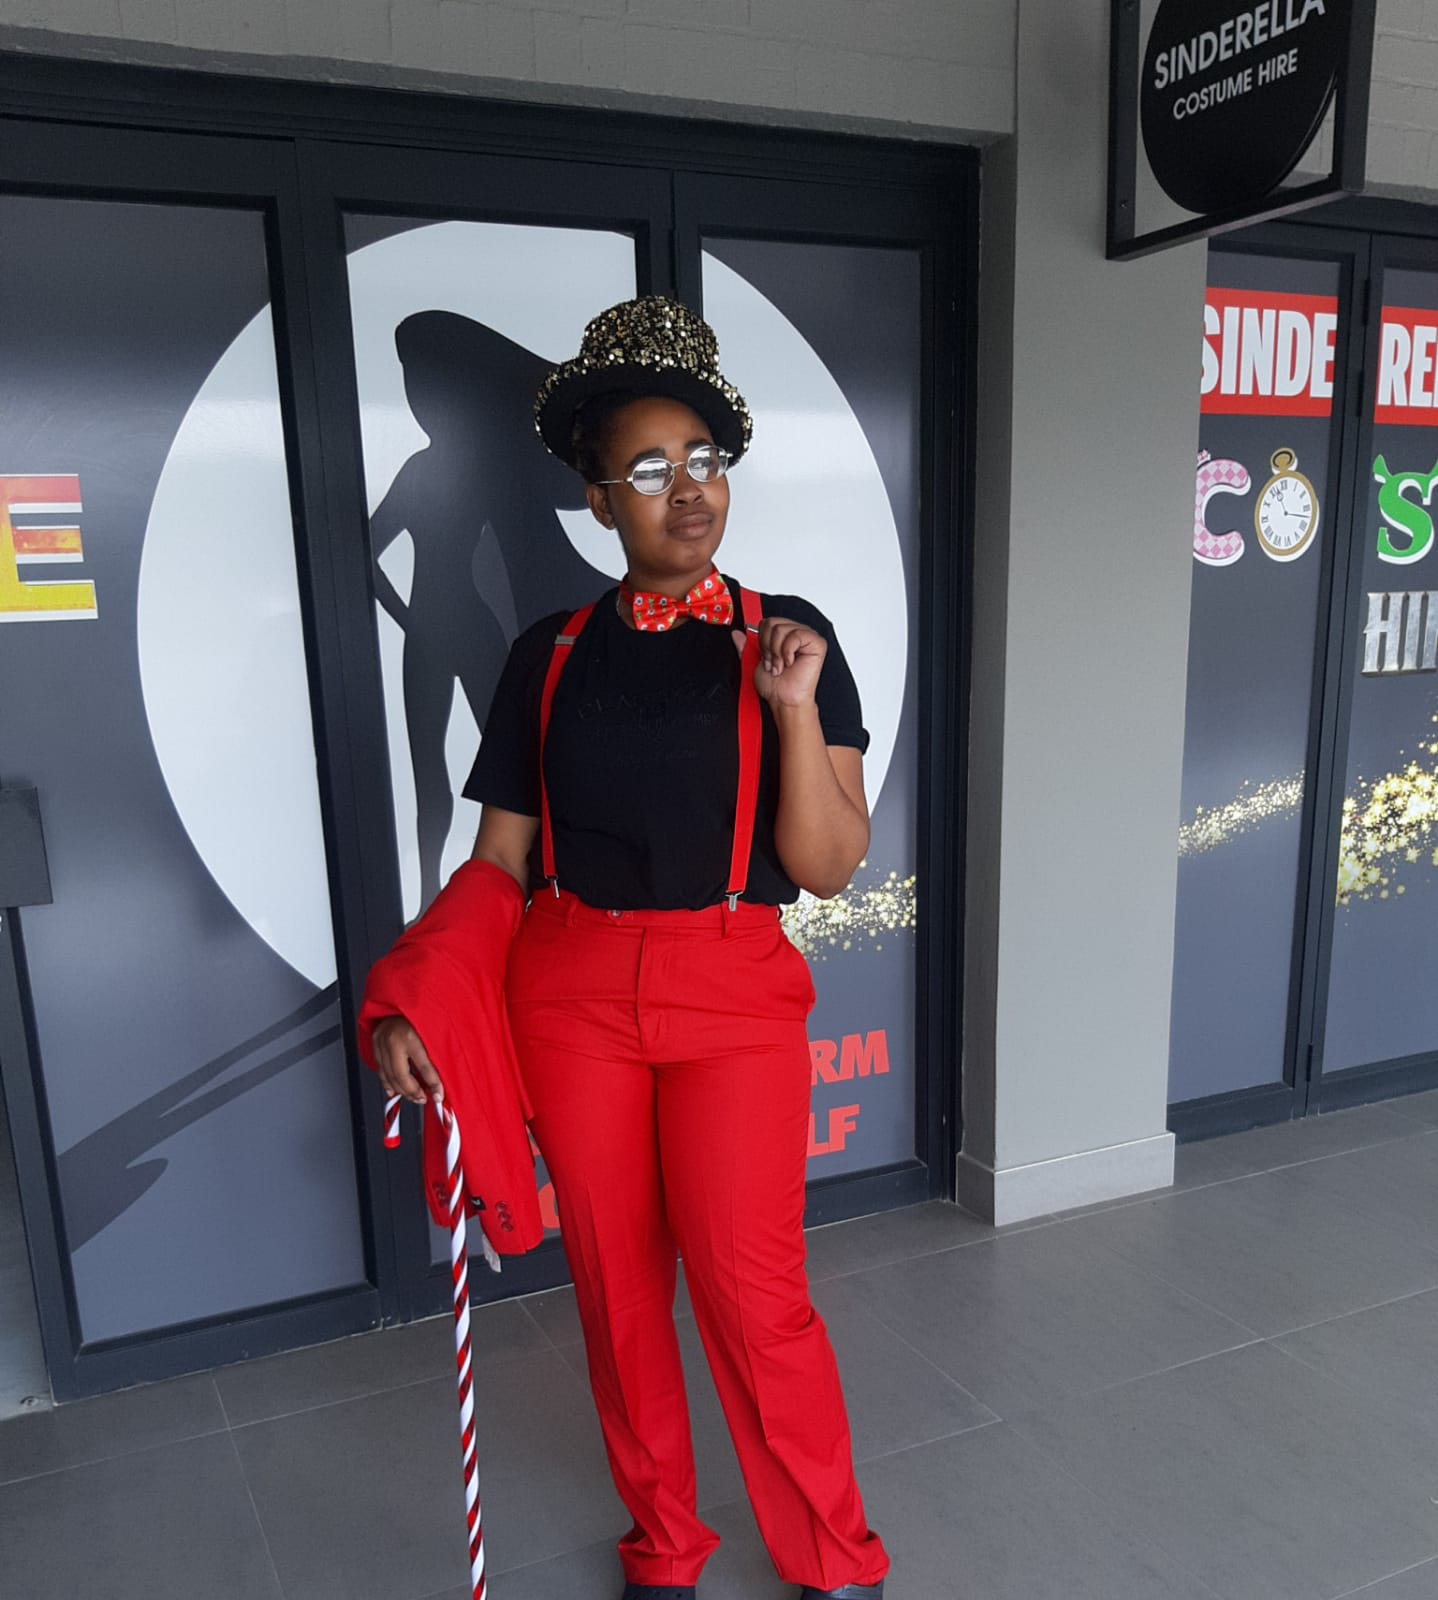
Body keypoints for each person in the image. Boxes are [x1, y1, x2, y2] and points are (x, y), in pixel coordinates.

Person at [371, 295, 889, 1600]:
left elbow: (827, 864)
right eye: (648, 470)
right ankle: (664, 1544)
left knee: (753, 1294)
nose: (686, 490)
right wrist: (416, 996)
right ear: (599, 500)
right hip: (572, 995)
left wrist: (787, 708)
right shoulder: (544, 657)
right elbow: (496, 864)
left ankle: (832, 1555)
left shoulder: (792, 634)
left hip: (732, 988)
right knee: (614, 1297)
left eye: (702, 460)